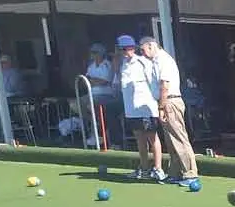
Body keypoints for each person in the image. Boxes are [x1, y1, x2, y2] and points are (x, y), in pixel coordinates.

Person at [139, 37, 200, 187]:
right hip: (166, 102)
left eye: (143, 49)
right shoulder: (155, 61)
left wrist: (162, 107)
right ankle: (175, 173)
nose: (142, 53)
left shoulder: (163, 60)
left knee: (179, 138)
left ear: (151, 46)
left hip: (170, 102)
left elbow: (164, 85)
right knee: (170, 140)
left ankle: (190, 174)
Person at [116, 35, 166, 183]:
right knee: (139, 138)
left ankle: (158, 169)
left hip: (146, 107)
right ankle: (144, 168)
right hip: (131, 110)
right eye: (122, 49)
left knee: (152, 137)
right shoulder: (123, 64)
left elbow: (154, 84)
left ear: (133, 48)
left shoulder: (144, 62)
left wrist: (158, 104)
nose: (125, 52)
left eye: (128, 48)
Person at [84, 43, 122, 147]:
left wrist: (94, 80)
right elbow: (86, 81)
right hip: (91, 94)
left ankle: (100, 133)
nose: (92, 54)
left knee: (92, 106)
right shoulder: (91, 66)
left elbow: (105, 81)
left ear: (101, 54)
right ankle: (97, 129)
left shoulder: (107, 65)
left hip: (106, 95)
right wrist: (95, 80)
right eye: (91, 52)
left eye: (95, 52)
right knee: (76, 105)